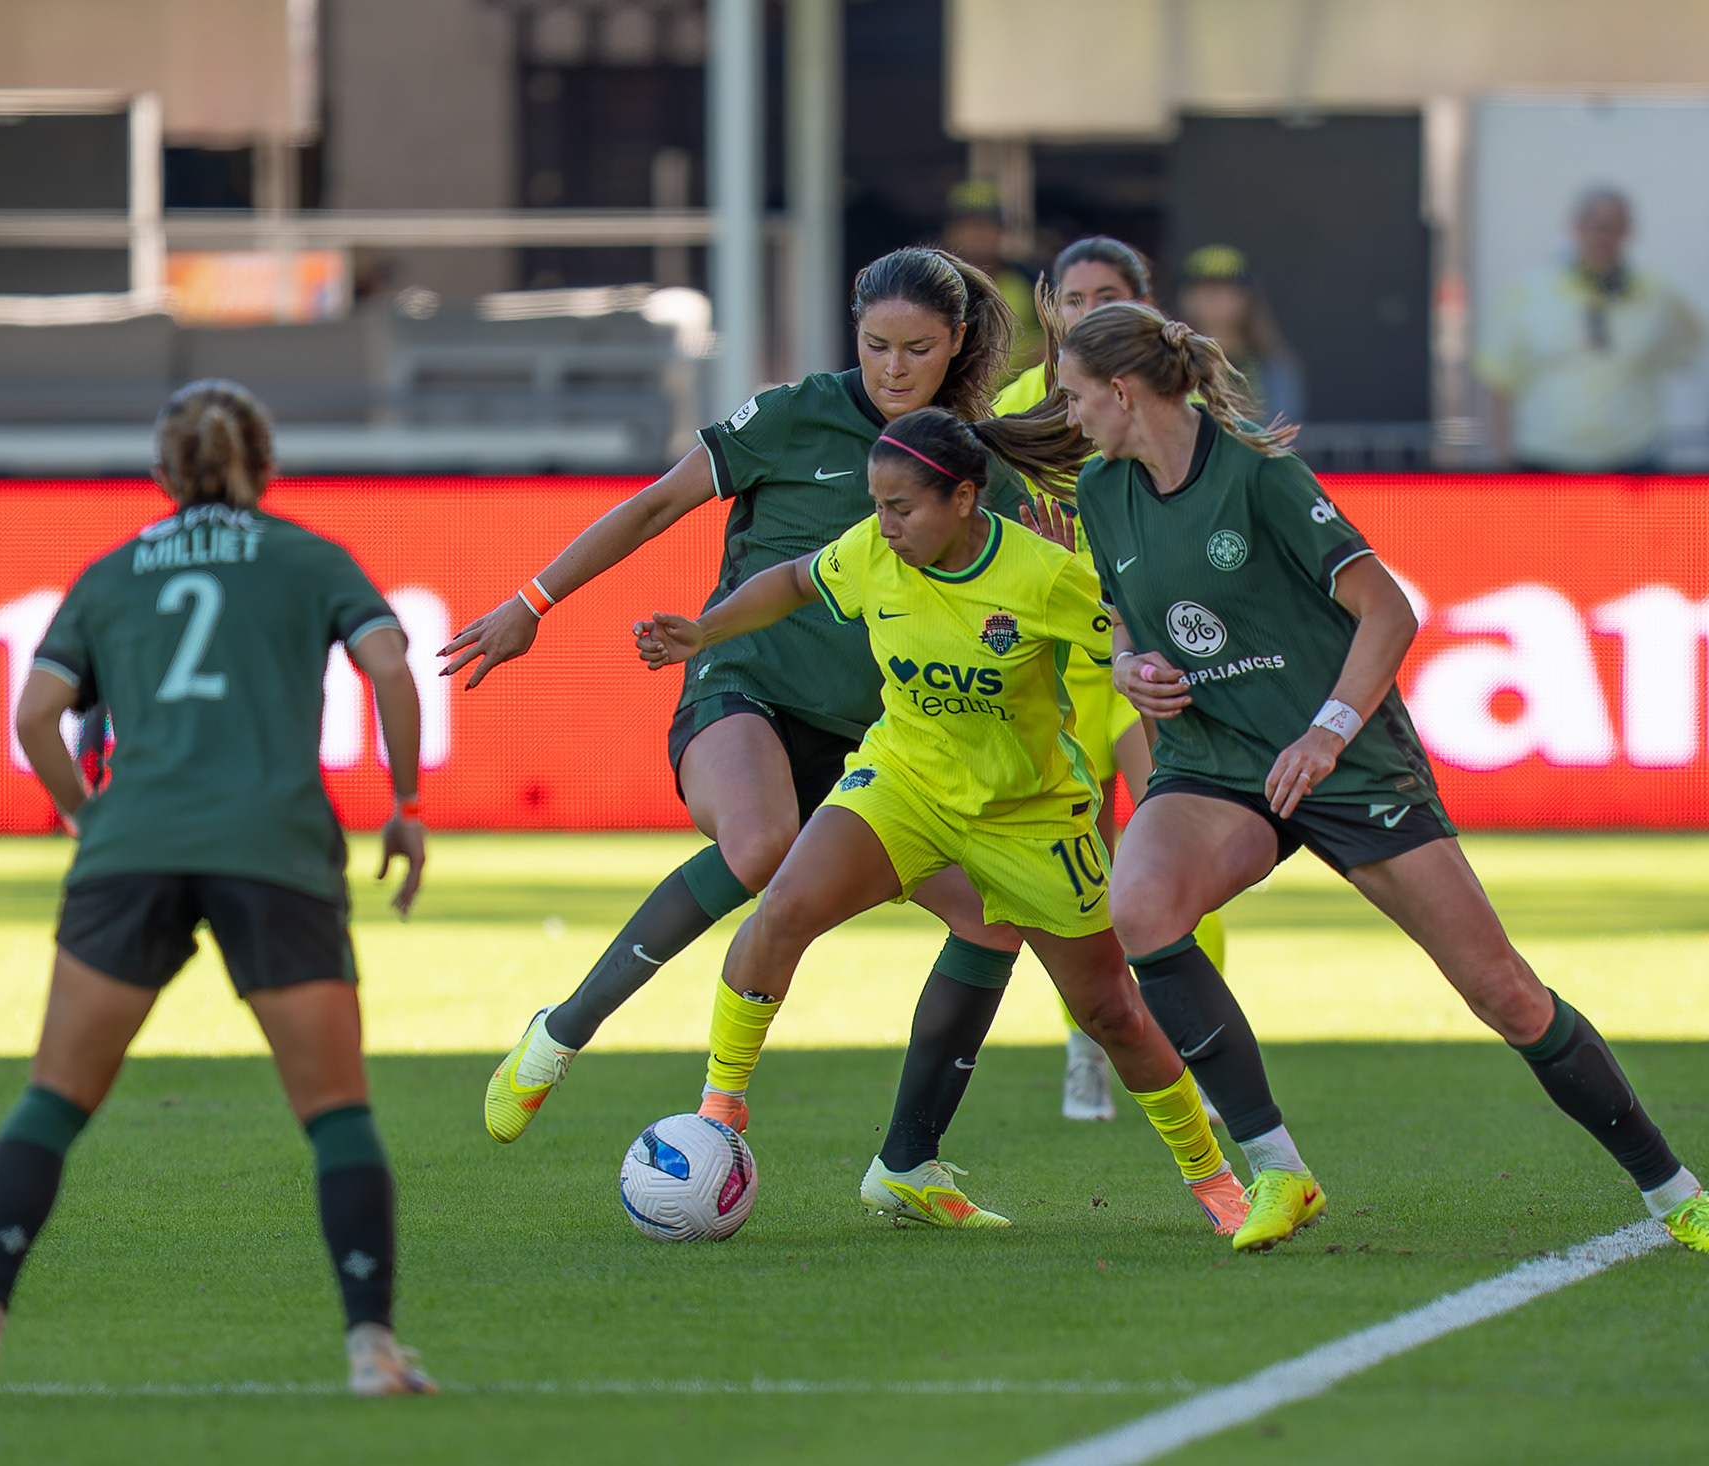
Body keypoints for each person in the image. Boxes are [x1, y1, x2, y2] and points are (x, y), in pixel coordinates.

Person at [1053, 301, 1709, 1257]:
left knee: (1502, 991)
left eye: (1077, 392)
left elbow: (1387, 611)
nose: (1068, 408)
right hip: (1213, 763)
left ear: (1125, 392)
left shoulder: (1262, 478)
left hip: (1344, 764)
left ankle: (1672, 1190)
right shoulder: (1100, 492)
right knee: (1138, 909)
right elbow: (1127, 625)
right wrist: (1130, 668)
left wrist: (1325, 734)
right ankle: (1279, 1169)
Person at [444, 249, 1079, 1226]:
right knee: (758, 843)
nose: (893, 366)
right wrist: (532, 601)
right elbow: (657, 502)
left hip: (884, 744)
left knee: (994, 917)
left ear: (958, 344)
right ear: (851, 332)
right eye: (876, 345)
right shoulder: (792, 414)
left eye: (917, 348)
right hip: (744, 688)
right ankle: (562, 1030)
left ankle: (907, 1163)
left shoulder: (975, 466)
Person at [0, 382, 437, 1396]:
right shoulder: (310, 556)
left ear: (160, 472)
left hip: (134, 846)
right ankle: (372, 1346)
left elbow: (35, 716)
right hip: (273, 845)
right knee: (334, 1109)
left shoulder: (111, 573)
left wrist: (89, 814)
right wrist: (405, 801)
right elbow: (392, 666)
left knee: (55, 1097)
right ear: (267, 466)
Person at [636, 405, 1249, 1234]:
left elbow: (1130, 639)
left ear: (963, 499)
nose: (883, 526)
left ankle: (1216, 1184)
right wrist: (703, 630)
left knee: (1111, 1012)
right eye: (876, 505)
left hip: (1028, 817)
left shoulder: (1040, 575)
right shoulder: (870, 554)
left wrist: (1144, 674)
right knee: (784, 906)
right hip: (903, 781)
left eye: (901, 508)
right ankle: (721, 1107)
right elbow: (790, 580)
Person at [992, 235, 1230, 1124]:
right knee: (1076, 876)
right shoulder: (1018, 408)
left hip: (1143, 661)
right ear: (1052, 308)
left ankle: (1202, 1048)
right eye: (1078, 298)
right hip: (1053, 674)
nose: (1091, 312)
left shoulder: (1170, 404)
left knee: (1178, 852)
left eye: (1109, 296)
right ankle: (1087, 1042)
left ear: (1143, 304)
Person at [1476, 187, 1701, 472]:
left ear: (1628, 231)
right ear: (1575, 226)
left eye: (1613, 226)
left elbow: (1689, 347)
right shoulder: (1526, 295)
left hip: (1632, 462)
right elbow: (1497, 379)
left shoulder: (1658, 295)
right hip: (1545, 461)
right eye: (1594, 224)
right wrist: (1500, 457)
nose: (1602, 236)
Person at [1176, 244, 1304, 431]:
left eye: (1225, 288)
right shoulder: (1168, 362)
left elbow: (1282, 431)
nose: (1214, 297)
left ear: (1248, 298)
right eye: (1203, 288)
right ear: (1185, 298)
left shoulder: (1273, 368)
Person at [942, 180, 1043, 374]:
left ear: (1002, 231)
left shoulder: (1031, 284)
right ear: (949, 232)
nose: (976, 235)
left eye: (984, 226)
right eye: (967, 226)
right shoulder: (932, 286)